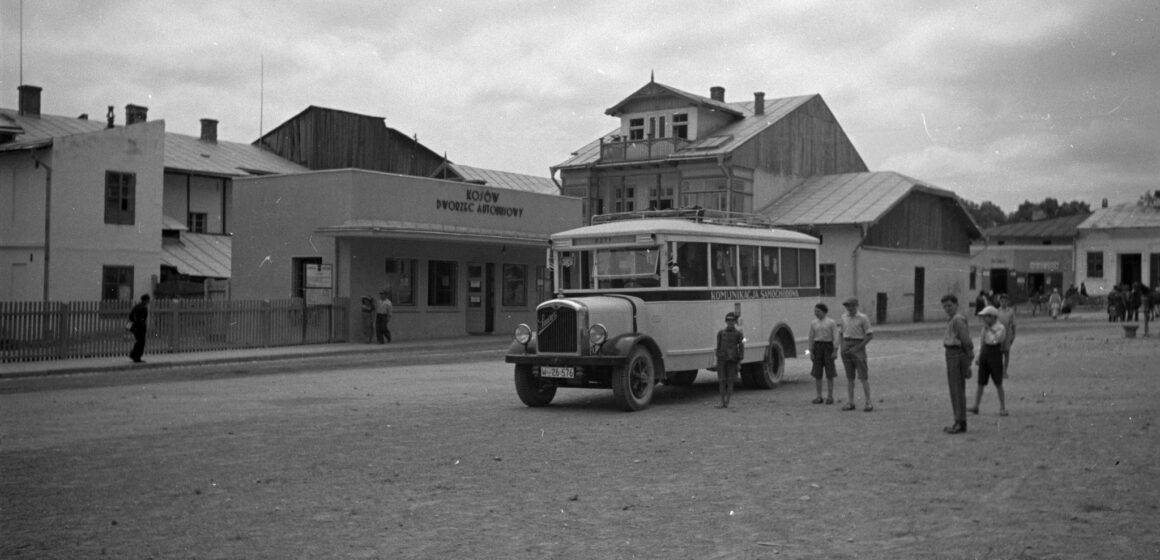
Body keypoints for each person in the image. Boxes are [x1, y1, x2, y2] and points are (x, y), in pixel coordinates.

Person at [940, 294, 974, 434]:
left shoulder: (958, 320)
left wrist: (968, 361)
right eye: (945, 306)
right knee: (954, 389)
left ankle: (960, 422)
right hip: (951, 354)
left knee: (957, 389)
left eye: (950, 305)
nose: (947, 308)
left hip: (957, 354)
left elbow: (966, 341)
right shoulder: (951, 320)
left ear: (956, 304)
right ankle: (958, 420)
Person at [969, 306, 1008, 417]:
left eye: (986, 317)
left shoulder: (1000, 327)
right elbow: (982, 343)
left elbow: (996, 340)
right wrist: (978, 357)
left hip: (995, 354)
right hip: (985, 354)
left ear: (992, 317)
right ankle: (976, 406)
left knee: (998, 383)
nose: (984, 319)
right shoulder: (984, 329)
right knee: (980, 382)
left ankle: (1002, 407)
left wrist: (989, 329)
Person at [838, 297, 874, 411]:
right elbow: (841, 332)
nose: (849, 308)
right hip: (846, 345)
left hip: (858, 345)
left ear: (856, 306)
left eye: (851, 305)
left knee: (863, 376)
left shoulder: (863, 318)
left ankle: (868, 402)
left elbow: (869, 335)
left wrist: (858, 347)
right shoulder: (844, 317)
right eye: (847, 306)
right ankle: (850, 402)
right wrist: (842, 346)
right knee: (849, 377)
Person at [807, 302, 839, 405]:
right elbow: (811, 337)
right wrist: (811, 351)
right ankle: (819, 396)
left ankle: (830, 396)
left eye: (818, 311)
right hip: (817, 347)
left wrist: (835, 350)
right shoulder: (813, 323)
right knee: (817, 373)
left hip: (828, 347)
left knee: (829, 373)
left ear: (824, 311)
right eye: (815, 311)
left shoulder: (831, 322)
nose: (816, 313)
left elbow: (836, 336)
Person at [715, 312, 744, 409]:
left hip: (733, 360)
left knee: (730, 381)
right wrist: (717, 360)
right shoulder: (720, 333)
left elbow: (742, 347)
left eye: (732, 320)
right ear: (725, 321)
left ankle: (727, 402)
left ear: (735, 322)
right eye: (728, 320)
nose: (730, 322)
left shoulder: (739, 334)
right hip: (722, 360)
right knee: (722, 381)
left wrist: (739, 362)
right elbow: (718, 347)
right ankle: (722, 401)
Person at [996, 294, 1016, 378]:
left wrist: (1013, 335)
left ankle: (1005, 371)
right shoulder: (997, 311)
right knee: (999, 354)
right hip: (999, 335)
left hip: (1008, 334)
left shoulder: (1010, 311)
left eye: (1005, 301)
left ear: (1007, 302)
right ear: (999, 302)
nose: (1003, 302)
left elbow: (1013, 324)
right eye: (1001, 301)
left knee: (1006, 353)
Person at [127, 294, 151, 363]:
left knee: (138, 341)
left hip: (134, 328)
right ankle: (137, 357)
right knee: (141, 342)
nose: (148, 301)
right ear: (145, 300)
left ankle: (133, 354)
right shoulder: (143, 308)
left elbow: (130, 316)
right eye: (148, 300)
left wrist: (134, 323)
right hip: (140, 328)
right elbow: (142, 319)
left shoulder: (136, 306)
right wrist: (141, 324)